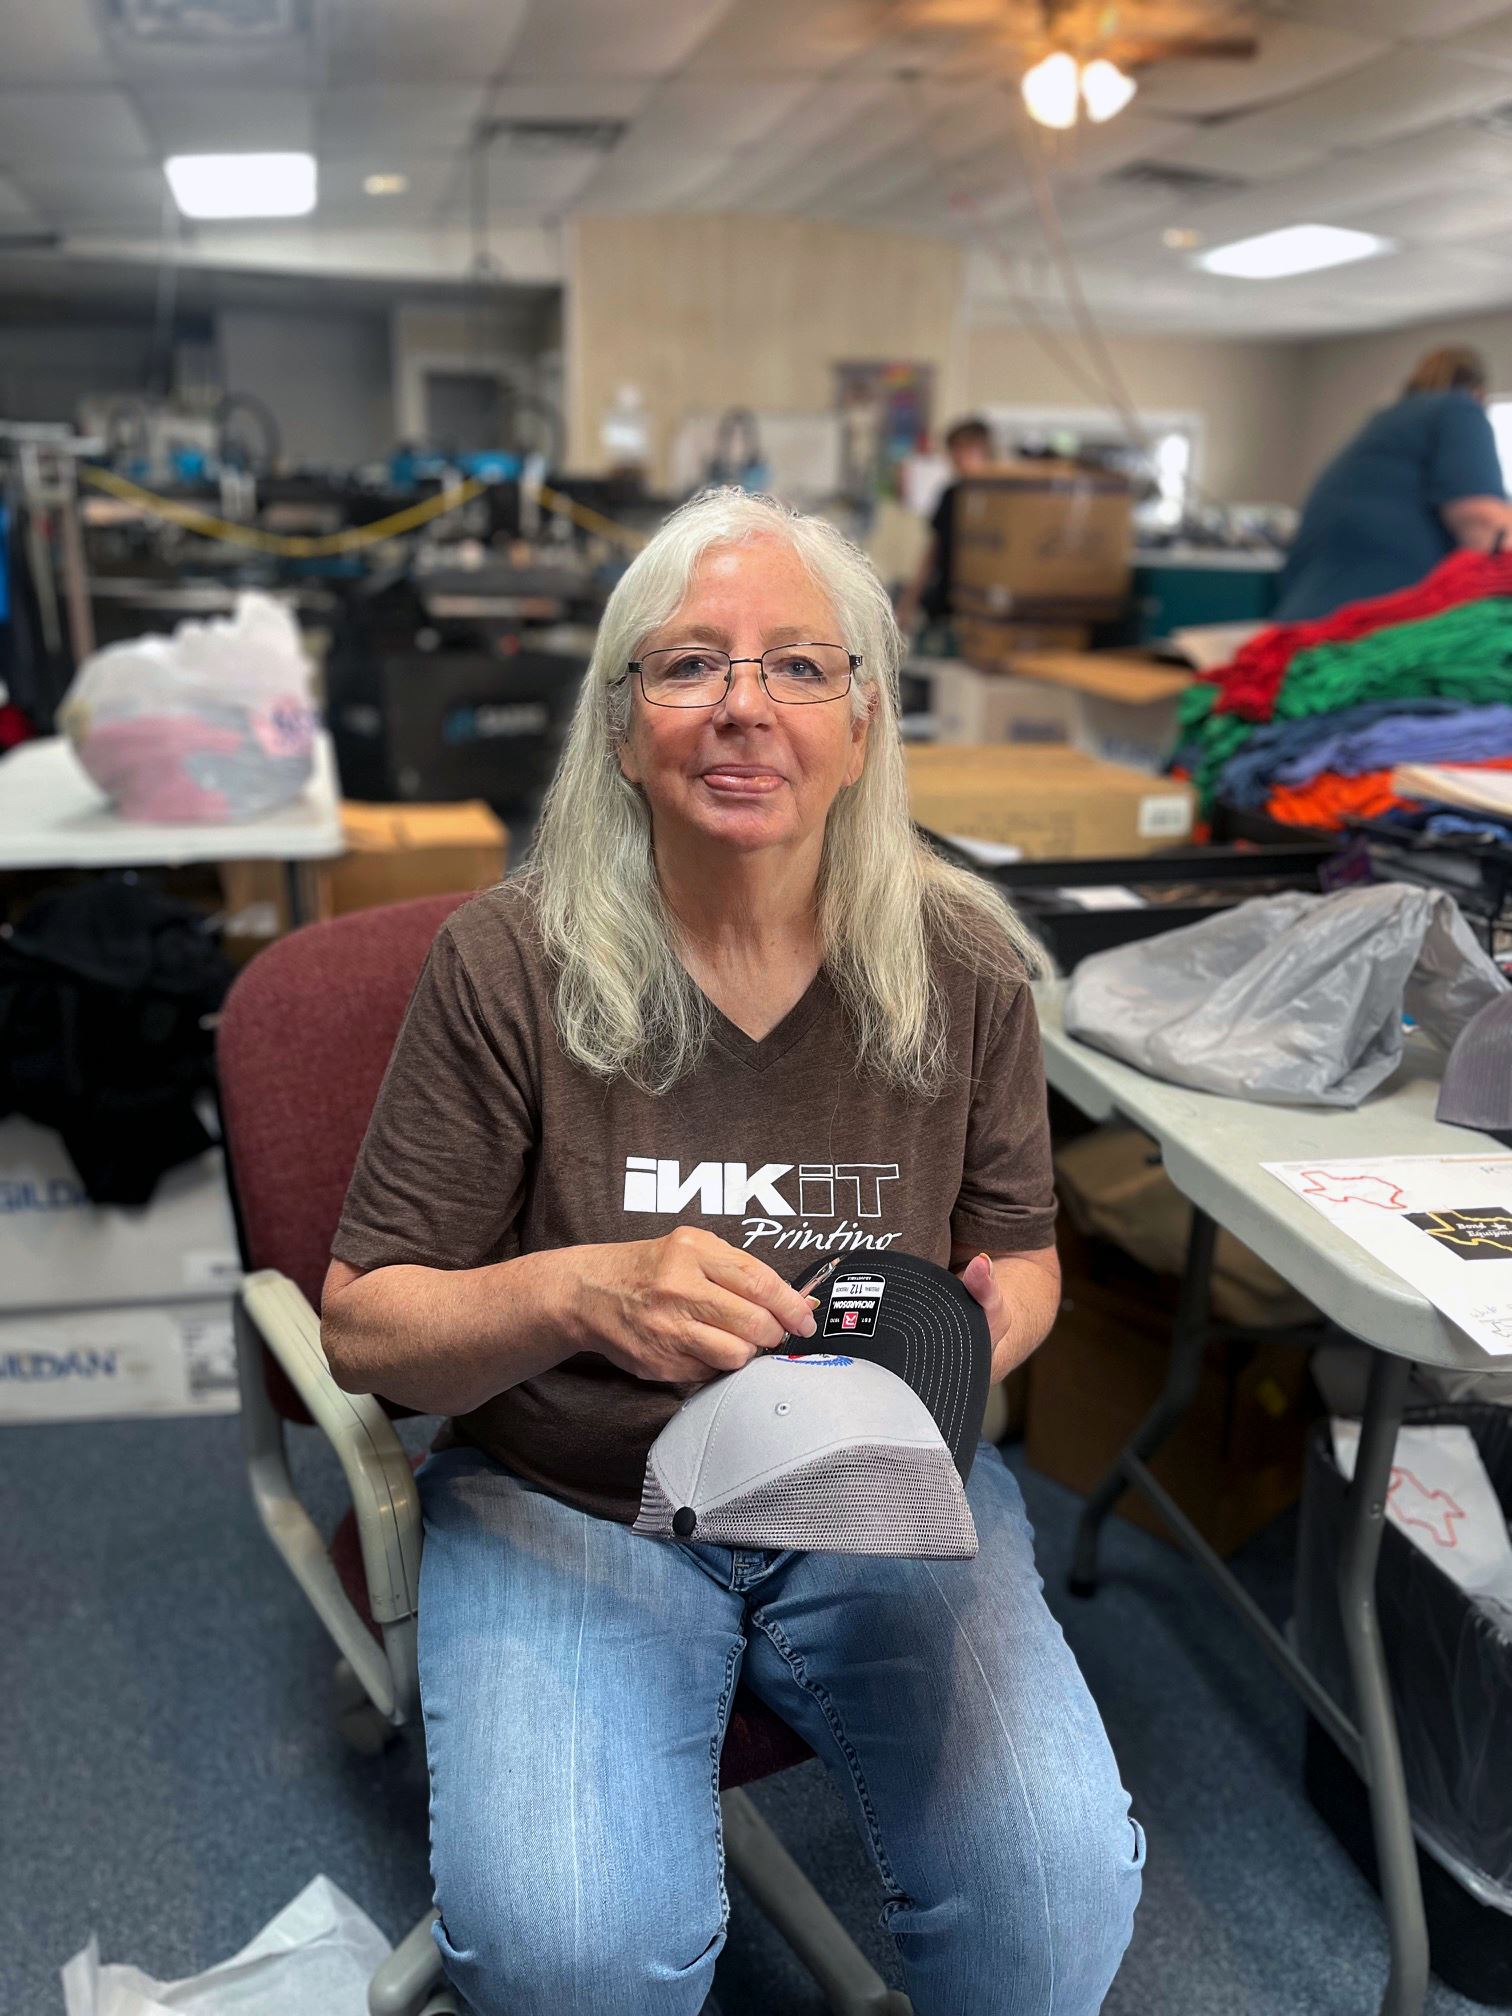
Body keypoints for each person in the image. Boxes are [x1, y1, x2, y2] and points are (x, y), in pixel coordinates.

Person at [321, 489, 1143, 2016]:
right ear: (623, 727)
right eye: (689, 666)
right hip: (575, 1492)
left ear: (864, 722)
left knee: (1053, 1898)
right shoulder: (508, 960)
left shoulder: (964, 964)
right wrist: (579, 1287)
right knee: (575, 1961)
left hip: (878, 1486)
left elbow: (1022, 1258)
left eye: (798, 669)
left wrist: (974, 1336)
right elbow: (365, 1329)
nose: (743, 711)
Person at [1275, 345, 1512, 621]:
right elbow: (1482, 520)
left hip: (1309, 618)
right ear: (1479, 392)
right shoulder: (1459, 409)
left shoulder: (1387, 421)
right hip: (1377, 623)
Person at [896, 415, 995, 636]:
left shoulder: (1001, 497)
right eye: (954, 452)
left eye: (967, 451)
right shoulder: (951, 494)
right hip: (949, 602)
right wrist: (908, 603)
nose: (958, 459)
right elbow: (933, 549)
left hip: (985, 605)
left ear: (985, 452)